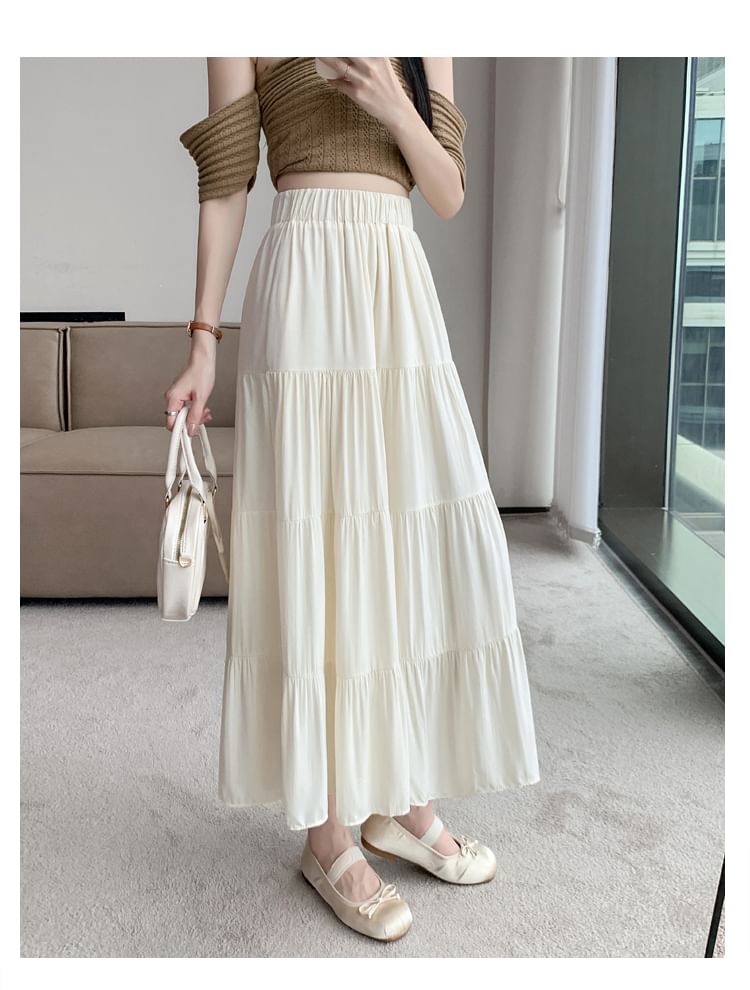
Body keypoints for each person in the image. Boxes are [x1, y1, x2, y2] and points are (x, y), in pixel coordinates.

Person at [166, 57, 540, 943]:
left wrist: (390, 103)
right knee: (320, 548)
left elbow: (446, 191)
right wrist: (203, 341)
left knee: (412, 543)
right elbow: (226, 180)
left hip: (394, 284)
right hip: (303, 279)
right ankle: (327, 830)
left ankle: (402, 801)